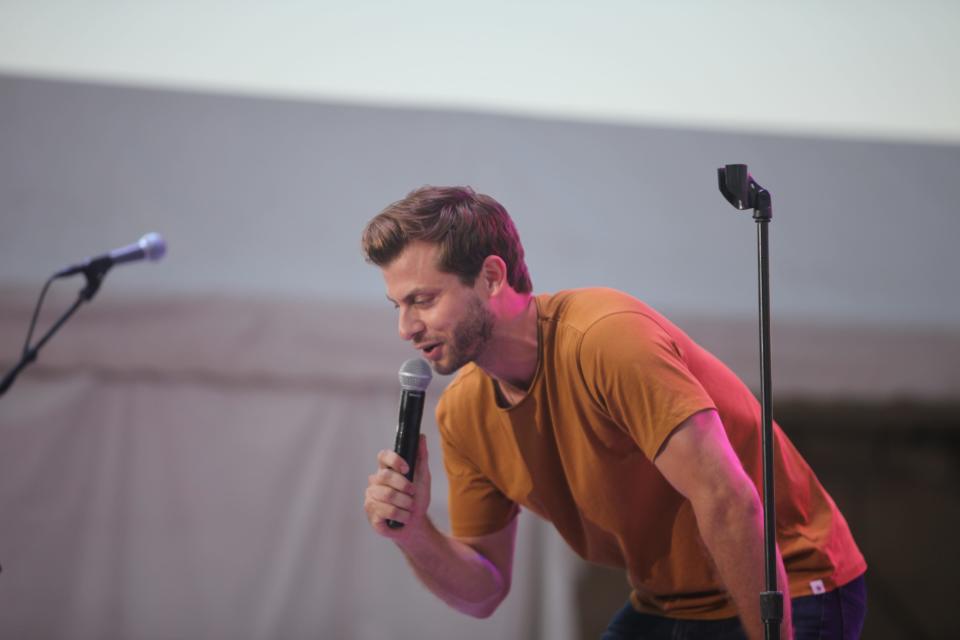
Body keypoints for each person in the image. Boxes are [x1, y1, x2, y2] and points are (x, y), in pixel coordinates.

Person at [361, 186, 867, 639]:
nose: (406, 327)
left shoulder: (606, 339)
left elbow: (728, 500)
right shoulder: (463, 413)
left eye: (422, 300)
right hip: (670, 603)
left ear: (492, 276)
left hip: (791, 584)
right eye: (397, 306)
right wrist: (415, 534)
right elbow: (485, 590)